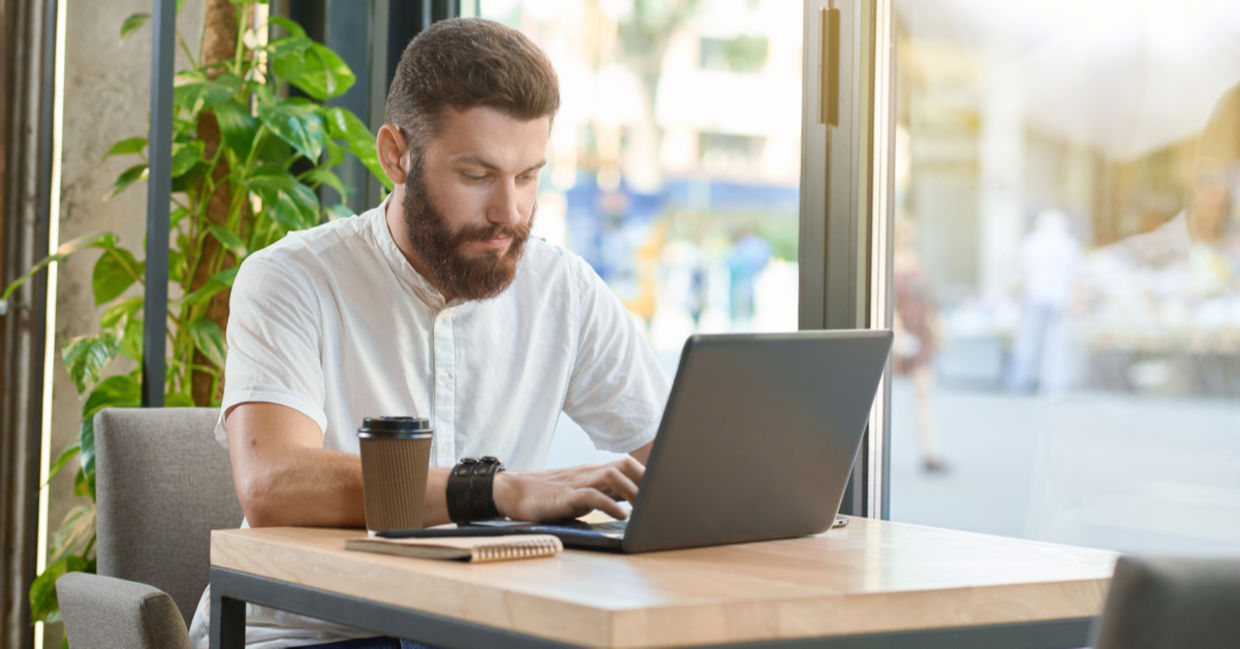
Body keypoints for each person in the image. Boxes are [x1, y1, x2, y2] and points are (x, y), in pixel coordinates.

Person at [187, 18, 671, 649]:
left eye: (528, 176)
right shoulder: (292, 278)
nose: (511, 212)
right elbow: (273, 483)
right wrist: (499, 492)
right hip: (308, 635)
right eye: (477, 176)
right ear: (397, 155)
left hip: (476, 630)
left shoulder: (564, 289)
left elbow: (671, 456)